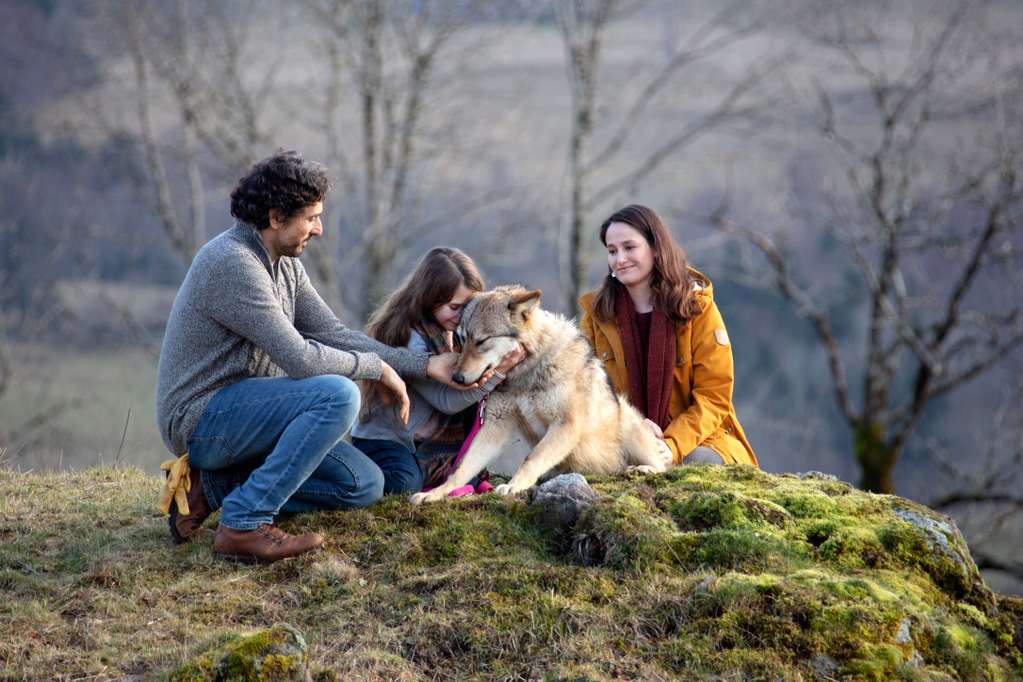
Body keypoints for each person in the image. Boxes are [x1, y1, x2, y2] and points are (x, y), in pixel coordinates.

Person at [156, 150, 463, 563]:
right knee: (338, 395)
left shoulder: (283, 264)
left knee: (363, 483)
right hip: (203, 420)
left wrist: (421, 365)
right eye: (311, 217)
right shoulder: (232, 263)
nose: (319, 229)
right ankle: (244, 523)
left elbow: (332, 334)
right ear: (276, 216)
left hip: (254, 415)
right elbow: (301, 360)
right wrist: (375, 368)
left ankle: (211, 487)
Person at [578, 204, 758, 468]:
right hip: (622, 440)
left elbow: (713, 398)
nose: (619, 259)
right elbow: (583, 392)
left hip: (699, 441)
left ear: (655, 247)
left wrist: (670, 446)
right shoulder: (597, 316)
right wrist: (632, 427)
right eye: (612, 251)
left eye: (629, 247)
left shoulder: (697, 307)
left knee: (702, 466)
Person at [351, 247, 524, 495]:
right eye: (455, 307)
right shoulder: (410, 338)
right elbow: (446, 401)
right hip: (387, 440)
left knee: (468, 477)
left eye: (468, 306)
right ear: (430, 299)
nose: (461, 315)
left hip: (427, 439)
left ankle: (441, 472)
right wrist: (497, 374)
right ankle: (354, 472)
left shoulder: (455, 330)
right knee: (404, 484)